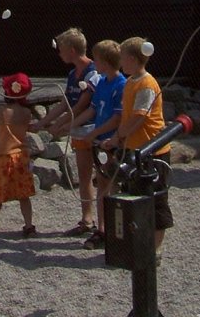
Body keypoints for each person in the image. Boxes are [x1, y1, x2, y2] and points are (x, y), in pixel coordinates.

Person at [105, 36, 174, 263]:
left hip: (152, 151)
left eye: (123, 58)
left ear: (133, 59)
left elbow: (138, 117)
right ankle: (137, 244)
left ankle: (155, 249)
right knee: (132, 195)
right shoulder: (131, 82)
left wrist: (117, 137)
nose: (120, 62)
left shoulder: (146, 84)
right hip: (134, 149)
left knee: (156, 200)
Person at [31, 27, 100, 236]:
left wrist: (60, 126)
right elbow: (66, 103)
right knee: (84, 175)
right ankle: (87, 219)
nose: (59, 53)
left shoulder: (93, 72)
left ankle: (103, 225)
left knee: (103, 177)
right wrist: (43, 122)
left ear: (71, 50)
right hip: (79, 130)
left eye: (61, 49)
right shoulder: (72, 74)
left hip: (95, 129)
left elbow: (82, 105)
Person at [69, 38, 127, 249]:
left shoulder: (121, 85)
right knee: (102, 184)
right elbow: (93, 109)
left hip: (112, 142)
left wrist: (95, 133)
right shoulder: (102, 82)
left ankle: (115, 230)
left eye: (97, 59)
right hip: (100, 142)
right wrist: (71, 125)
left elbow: (117, 118)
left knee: (112, 185)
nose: (94, 62)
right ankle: (102, 230)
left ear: (105, 61)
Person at [0, 72, 36, 237]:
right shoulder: (26, 113)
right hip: (22, 156)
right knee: (24, 194)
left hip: (4, 156)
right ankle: (29, 226)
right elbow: (18, 127)